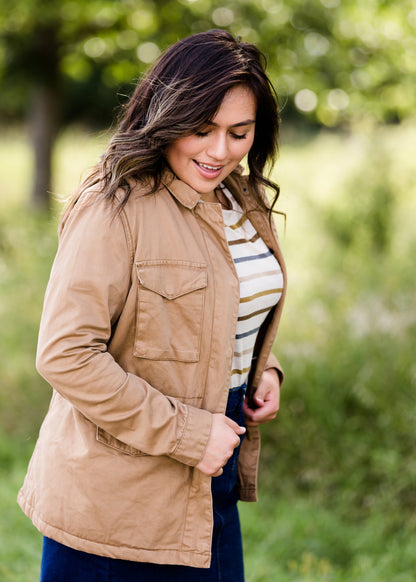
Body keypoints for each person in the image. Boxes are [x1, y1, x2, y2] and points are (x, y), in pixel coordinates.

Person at [18, 28, 287, 581]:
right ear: (166, 114)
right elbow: (66, 355)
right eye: (200, 129)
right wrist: (190, 434)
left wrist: (263, 372)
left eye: (239, 133)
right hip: (115, 505)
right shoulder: (115, 206)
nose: (219, 152)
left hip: (213, 484)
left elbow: (227, 311)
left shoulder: (243, 199)